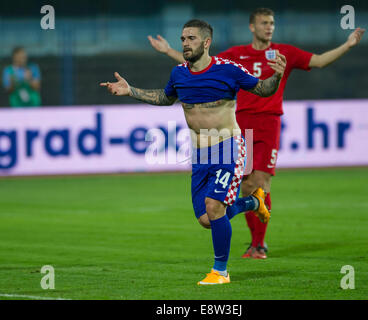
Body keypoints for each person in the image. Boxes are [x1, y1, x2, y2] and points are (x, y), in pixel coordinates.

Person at [148, 8, 365, 259]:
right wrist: (168, 52)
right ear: (252, 27)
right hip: (240, 124)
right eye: (264, 23)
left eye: (272, 23)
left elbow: (318, 61)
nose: (269, 27)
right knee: (246, 186)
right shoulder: (237, 55)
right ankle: (253, 222)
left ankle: (259, 244)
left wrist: (347, 45)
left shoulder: (285, 53)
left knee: (261, 182)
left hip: (269, 123)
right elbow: (203, 64)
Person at [101, 19, 286, 285]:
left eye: (191, 39)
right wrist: (130, 91)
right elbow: (166, 98)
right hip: (200, 154)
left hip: (228, 147)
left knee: (213, 207)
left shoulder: (228, 70)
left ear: (206, 42)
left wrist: (276, 76)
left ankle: (220, 272)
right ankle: (252, 202)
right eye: (183, 39)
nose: (185, 43)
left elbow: (262, 89)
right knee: (206, 219)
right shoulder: (179, 73)